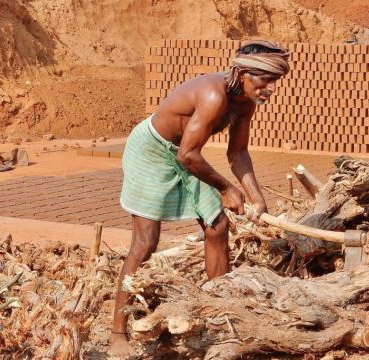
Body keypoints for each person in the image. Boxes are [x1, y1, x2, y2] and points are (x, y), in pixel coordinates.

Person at [109, 40, 290, 356]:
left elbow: (238, 152)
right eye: (266, 79)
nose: (271, 88)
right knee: (145, 243)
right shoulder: (213, 95)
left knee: (217, 226)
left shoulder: (245, 101)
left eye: (276, 81)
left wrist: (256, 197)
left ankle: (220, 315)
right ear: (244, 73)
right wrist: (226, 189)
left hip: (183, 154)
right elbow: (188, 155)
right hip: (152, 151)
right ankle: (116, 333)